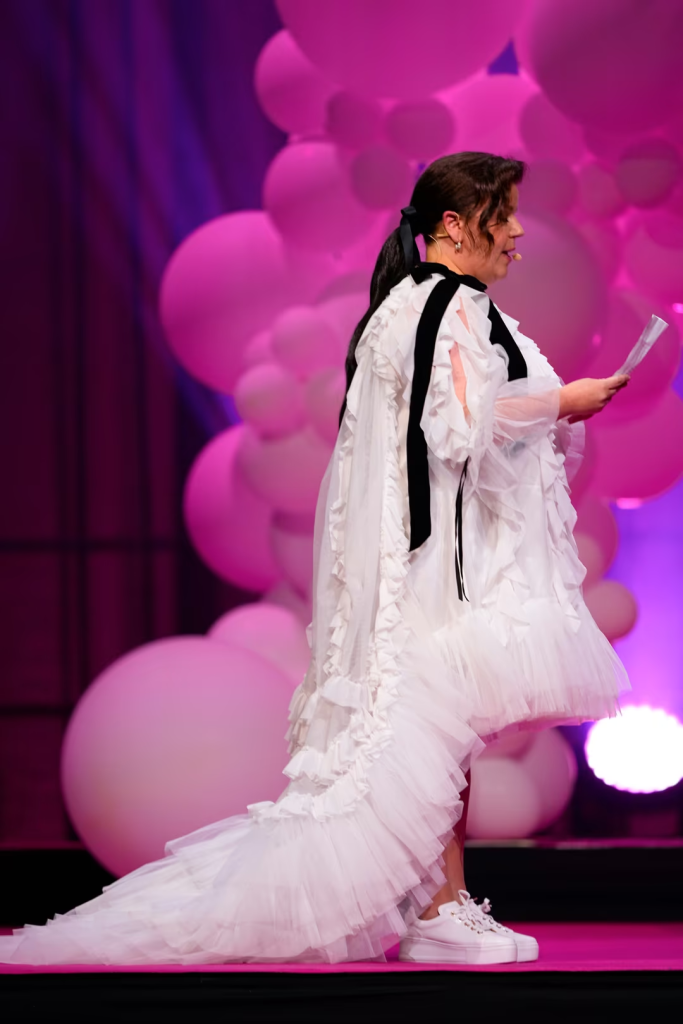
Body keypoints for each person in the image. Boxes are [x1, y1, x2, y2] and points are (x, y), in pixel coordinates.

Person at [0, 152, 630, 968]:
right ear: (451, 226)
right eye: (500, 214)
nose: (514, 232)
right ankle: (434, 908)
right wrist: (560, 401)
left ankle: (438, 905)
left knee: (442, 738)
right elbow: (461, 426)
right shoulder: (434, 308)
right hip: (422, 571)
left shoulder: (434, 307)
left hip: (432, 560)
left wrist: (547, 410)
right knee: (421, 738)